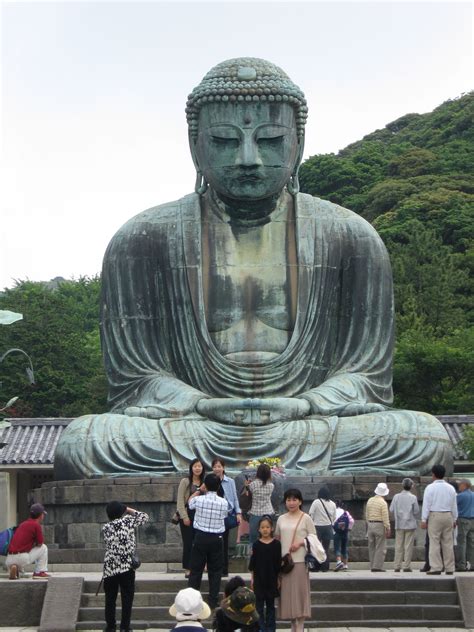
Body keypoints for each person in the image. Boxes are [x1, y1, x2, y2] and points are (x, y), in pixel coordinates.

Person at [55, 57, 453, 482]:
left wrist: (306, 403)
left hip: (307, 421)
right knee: (85, 441)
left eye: (270, 140)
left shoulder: (351, 236)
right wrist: (200, 403)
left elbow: (364, 376)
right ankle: (262, 466)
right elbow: (137, 379)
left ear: (298, 143)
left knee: (424, 437)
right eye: (225, 141)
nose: (248, 158)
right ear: (195, 145)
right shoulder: (142, 238)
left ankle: (246, 466)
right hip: (196, 425)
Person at [102, 501, 149, 632]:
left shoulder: (105, 528)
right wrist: (128, 509)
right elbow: (144, 517)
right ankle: (125, 627)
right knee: (127, 598)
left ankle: (110, 627)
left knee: (110, 599)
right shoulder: (128, 521)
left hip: (110, 567)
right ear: (121, 512)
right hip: (127, 567)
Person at [275, 488, 316, 632]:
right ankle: (293, 626)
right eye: (288, 500)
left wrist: (300, 543)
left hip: (299, 562)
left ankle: (300, 626)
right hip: (285, 564)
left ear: (300, 501)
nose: (291, 503)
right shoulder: (281, 519)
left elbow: (314, 538)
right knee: (288, 596)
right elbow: (277, 539)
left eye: (294, 500)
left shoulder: (306, 518)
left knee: (300, 596)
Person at [188, 473, 229, 609]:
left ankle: (192, 599)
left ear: (205, 485)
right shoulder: (223, 502)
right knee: (215, 571)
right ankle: (213, 600)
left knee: (196, 570)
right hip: (217, 538)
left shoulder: (199, 500)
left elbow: (190, 503)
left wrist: (200, 490)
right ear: (218, 486)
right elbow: (224, 515)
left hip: (200, 537)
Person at [421, 464, 457, 575]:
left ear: (433, 474)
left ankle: (436, 567)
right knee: (448, 542)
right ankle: (450, 567)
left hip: (435, 516)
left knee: (434, 542)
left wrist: (423, 519)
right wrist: (455, 518)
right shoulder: (450, 488)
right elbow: (454, 505)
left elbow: (426, 504)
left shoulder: (430, 488)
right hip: (448, 515)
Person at [248, 515, 281, 632]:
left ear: (272, 528)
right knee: (259, 607)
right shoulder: (256, 545)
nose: (265, 529)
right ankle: (260, 628)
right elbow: (253, 563)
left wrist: (278, 579)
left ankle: (271, 629)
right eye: (263, 527)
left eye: (267, 527)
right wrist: (252, 578)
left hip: (272, 579)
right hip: (259, 579)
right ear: (259, 529)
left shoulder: (277, 545)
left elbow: (278, 564)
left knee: (271, 606)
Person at [212, 458, 242, 577]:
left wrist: (238, 512)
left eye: (219, 466)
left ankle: (224, 569)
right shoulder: (210, 481)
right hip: (213, 516)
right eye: (215, 466)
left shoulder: (229, 481)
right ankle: (215, 568)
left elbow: (234, 497)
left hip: (226, 515)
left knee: (224, 542)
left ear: (223, 468)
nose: (217, 469)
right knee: (214, 543)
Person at [177, 458, 206, 577]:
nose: (198, 468)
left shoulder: (205, 482)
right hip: (188, 515)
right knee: (188, 543)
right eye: (195, 466)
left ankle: (199, 566)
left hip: (201, 516)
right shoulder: (185, 481)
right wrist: (184, 517)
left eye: (200, 466)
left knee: (200, 543)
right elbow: (179, 501)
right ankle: (188, 568)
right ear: (191, 468)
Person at [5, 503, 49, 580]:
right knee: (44, 547)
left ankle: (15, 569)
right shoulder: (36, 525)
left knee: (21, 553)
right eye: (43, 514)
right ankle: (39, 572)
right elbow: (40, 543)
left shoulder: (22, 524)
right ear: (40, 515)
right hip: (21, 558)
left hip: (9, 558)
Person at [389, 478, 420, 572]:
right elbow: (416, 511)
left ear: (402, 485)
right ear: (411, 486)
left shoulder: (396, 497)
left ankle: (397, 566)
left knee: (398, 545)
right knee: (408, 546)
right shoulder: (413, 497)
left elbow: (391, 509)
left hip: (399, 524)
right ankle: (406, 566)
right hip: (410, 524)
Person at [245, 464, 275, 546]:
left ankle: (253, 556)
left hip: (255, 513)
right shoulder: (271, 486)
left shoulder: (253, 484)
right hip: (268, 512)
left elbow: (248, 493)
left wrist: (246, 485)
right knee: (268, 536)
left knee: (253, 538)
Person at [308, 486, 336, 571]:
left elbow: (310, 513)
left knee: (316, 547)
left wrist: (311, 523)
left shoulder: (316, 502)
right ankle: (325, 567)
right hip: (328, 527)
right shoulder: (332, 503)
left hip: (317, 527)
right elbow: (334, 517)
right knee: (325, 548)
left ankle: (316, 567)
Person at [365, 483, 391, 572]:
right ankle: (377, 566)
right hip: (379, 525)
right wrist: (388, 528)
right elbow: (385, 517)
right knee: (380, 547)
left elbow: (367, 514)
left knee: (371, 546)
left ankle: (372, 565)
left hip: (370, 524)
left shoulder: (370, 500)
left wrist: (368, 524)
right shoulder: (383, 503)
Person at [455, 479, 474, 571]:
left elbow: (454, 507)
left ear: (464, 485)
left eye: (460, 485)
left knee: (461, 543)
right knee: (471, 543)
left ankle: (461, 565)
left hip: (463, 520)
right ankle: (472, 564)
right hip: (472, 520)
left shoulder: (460, 496)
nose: (459, 486)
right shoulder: (473, 495)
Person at [333, 500, 354, 571]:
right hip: (345, 532)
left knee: (337, 547)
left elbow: (332, 522)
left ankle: (339, 562)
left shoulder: (333, 512)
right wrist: (349, 529)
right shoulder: (345, 512)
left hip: (336, 532)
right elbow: (351, 521)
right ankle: (345, 564)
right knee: (344, 548)